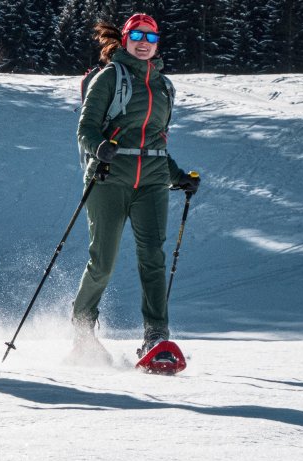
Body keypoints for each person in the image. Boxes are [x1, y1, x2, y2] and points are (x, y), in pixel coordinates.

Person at [73, 13, 199, 360]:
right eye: (138, 36)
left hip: (153, 182)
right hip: (109, 179)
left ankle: (157, 336)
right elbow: (86, 130)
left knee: (153, 259)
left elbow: (157, 144)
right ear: (125, 39)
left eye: (151, 37)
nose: (144, 43)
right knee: (103, 262)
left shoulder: (163, 86)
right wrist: (100, 148)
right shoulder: (110, 77)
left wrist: (179, 177)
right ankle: (83, 328)